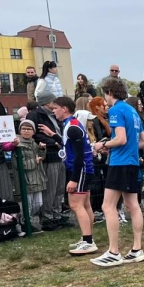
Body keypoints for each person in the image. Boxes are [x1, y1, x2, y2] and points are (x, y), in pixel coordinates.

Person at [90, 76, 144, 266]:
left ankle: (114, 251)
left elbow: (120, 138)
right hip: (131, 161)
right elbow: (141, 141)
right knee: (133, 205)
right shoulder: (132, 111)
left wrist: (102, 144)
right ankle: (137, 248)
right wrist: (113, 145)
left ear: (109, 93)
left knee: (108, 206)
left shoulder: (115, 110)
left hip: (120, 163)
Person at [52, 96, 97, 255]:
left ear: (64, 109)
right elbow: (69, 146)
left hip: (80, 170)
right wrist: (53, 135)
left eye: (55, 108)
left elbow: (79, 156)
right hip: (83, 169)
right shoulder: (70, 125)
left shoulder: (72, 126)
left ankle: (88, 241)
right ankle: (88, 238)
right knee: (85, 205)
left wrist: (74, 179)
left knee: (76, 205)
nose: (54, 111)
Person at [31, 89, 67, 230]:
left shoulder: (54, 115)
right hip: (50, 156)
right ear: (47, 102)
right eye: (53, 101)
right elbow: (35, 135)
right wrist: (54, 142)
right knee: (50, 188)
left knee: (59, 187)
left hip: (60, 155)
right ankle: (47, 217)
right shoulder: (36, 115)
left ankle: (57, 214)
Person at [15, 119, 47, 228]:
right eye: (24, 129)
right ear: (20, 130)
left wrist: (42, 149)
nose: (26, 131)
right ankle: (25, 223)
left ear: (33, 131)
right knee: (27, 204)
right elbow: (19, 164)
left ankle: (25, 219)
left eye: (29, 129)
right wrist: (34, 161)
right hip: (26, 179)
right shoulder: (18, 144)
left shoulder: (33, 143)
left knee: (38, 203)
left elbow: (41, 157)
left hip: (37, 177)